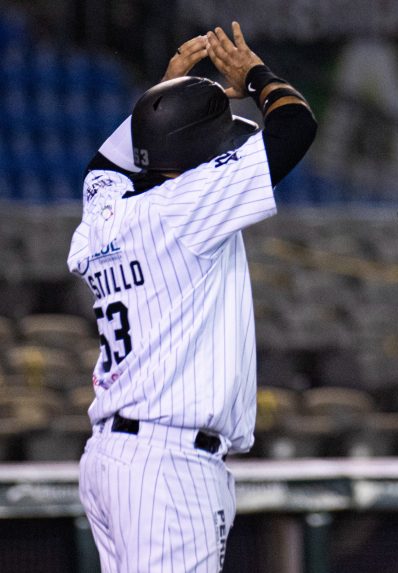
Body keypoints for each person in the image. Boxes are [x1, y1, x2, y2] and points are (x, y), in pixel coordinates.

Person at [67, 23, 316, 572]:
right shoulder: (186, 207)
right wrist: (255, 75)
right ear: (203, 156)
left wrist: (162, 95)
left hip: (114, 460)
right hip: (168, 468)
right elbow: (295, 126)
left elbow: (103, 170)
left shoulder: (107, 216)